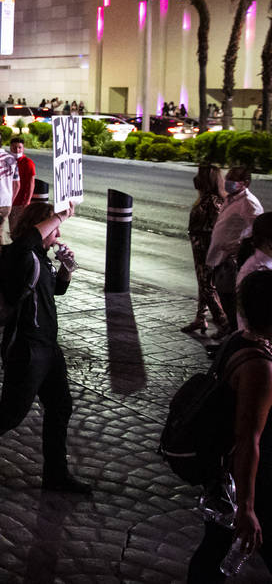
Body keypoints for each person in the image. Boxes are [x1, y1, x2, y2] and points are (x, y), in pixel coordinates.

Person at [0, 202, 91, 495]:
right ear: (38, 226)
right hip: (26, 347)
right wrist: (62, 213)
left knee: (61, 406)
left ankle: (56, 475)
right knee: (11, 414)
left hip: (48, 346)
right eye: (53, 226)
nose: (58, 233)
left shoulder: (40, 257)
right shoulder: (17, 253)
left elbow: (52, 292)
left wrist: (66, 271)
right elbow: (27, 242)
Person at [187, 271, 272, 581]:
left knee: (215, 549)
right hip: (250, 480)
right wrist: (247, 508)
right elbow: (249, 438)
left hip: (225, 472)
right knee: (218, 551)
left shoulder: (238, 340)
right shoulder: (258, 366)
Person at [207, 166, 264, 331]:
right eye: (228, 178)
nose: (228, 182)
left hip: (231, 262)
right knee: (225, 300)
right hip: (220, 258)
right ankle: (229, 337)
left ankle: (234, 339)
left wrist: (236, 247)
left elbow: (257, 232)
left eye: (233, 179)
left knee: (232, 303)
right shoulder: (231, 198)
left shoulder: (249, 203)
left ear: (245, 182)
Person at [182, 164, 229, 335]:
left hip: (207, 249)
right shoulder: (208, 198)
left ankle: (223, 323)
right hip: (201, 246)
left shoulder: (212, 201)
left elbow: (217, 228)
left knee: (207, 286)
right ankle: (200, 318)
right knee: (204, 284)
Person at [0, 132, 18, 246]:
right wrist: (11, 200)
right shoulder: (11, 158)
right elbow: (17, 183)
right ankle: (0, 260)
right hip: (7, 202)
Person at [8, 137, 36, 235]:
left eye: (19, 147)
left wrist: (27, 201)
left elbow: (31, 183)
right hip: (6, 201)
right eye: (14, 147)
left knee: (15, 229)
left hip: (19, 203)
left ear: (23, 149)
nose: (17, 150)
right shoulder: (7, 161)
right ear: (10, 147)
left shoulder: (28, 163)